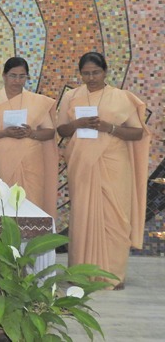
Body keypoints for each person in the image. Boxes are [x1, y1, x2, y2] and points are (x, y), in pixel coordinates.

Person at [56, 52, 149, 289]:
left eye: (96, 72)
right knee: (83, 217)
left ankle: (112, 275)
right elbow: (62, 130)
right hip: (82, 165)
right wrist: (77, 124)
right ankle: (81, 274)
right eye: (86, 73)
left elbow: (137, 132)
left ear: (105, 72)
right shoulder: (71, 96)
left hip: (114, 165)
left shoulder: (121, 97)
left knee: (115, 218)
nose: (91, 77)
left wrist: (110, 128)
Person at [0, 57, 58, 216]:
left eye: (22, 76)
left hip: (31, 162)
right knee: (3, 207)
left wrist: (31, 133)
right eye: (13, 76)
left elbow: (50, 132)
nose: (17, 81)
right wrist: (4, 133)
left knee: (31, 206)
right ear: (4, 76)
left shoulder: (36, 101)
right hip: (1, 161)